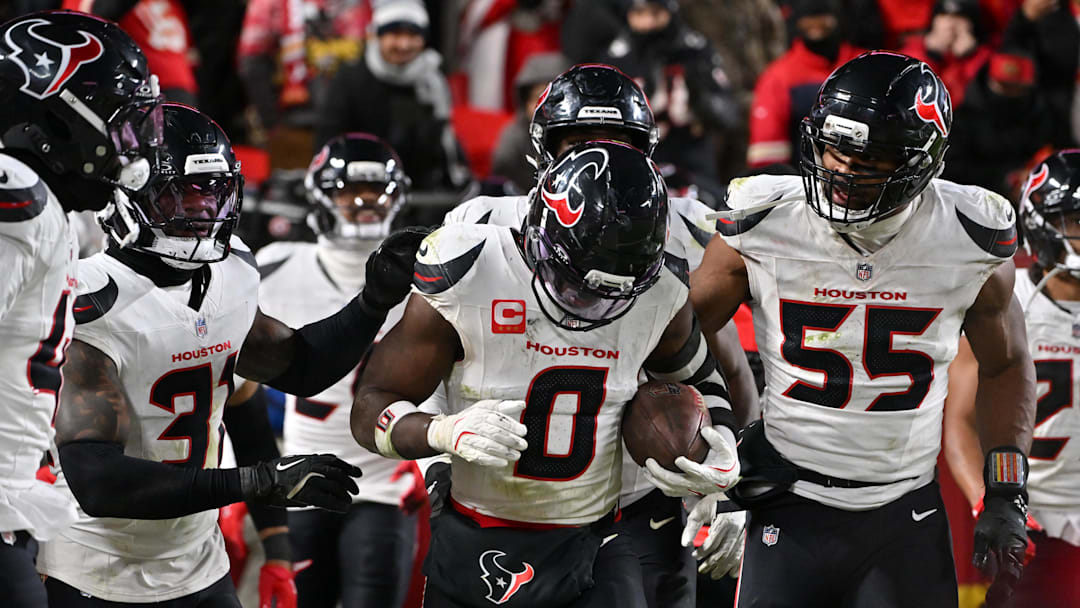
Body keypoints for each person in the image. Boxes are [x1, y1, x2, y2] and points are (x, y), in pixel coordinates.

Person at [37, 103, 426, 607]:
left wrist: (374, 299)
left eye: (213, 192)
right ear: (126, 197)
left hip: (199, 563)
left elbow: (301, 367)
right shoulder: (92, 299)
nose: (201, 210)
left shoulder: (230, 274)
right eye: (179, 194)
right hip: (99, 571)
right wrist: (258, 482)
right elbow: (98, 480)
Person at [689, 51, 1036, 607]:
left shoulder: (967, 238)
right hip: (787, 499)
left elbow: (1006, 365)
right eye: (835, 148)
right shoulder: (765, 221)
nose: (845, 170)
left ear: (923, 162)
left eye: (871, 158)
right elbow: (677, 340)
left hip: (905, 510)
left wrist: (1006, 489)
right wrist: (722, 433)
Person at [352, 140, 741, 608]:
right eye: (577, 283)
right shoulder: (470, 269)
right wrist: (439, 431)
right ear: (541, 231)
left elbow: (703, 380)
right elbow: (370, 404)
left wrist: (721, 446)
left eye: (616, 295)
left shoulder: (661, 290)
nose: (594, 308)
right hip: (478, 533)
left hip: (595, 541)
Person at [444, 63, 758, 608]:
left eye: (617, 142)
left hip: (644, 492)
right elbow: (431, 353)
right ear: (544, 147)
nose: (599, 157)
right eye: (580, 142)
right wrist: (437, 454)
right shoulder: (483, 224)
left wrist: (737, 484)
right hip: (512, 503)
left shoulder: (681, 225)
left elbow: (725, 362)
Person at [0, 10, 165, 607]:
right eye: (121, 122)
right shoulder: (17, 197)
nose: (132, 144)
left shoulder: (46, 205)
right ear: (57, 111)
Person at [246, 133, 424, 608]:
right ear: (322, 196)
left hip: (387, 481)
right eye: (348, 190)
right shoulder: (276, 267)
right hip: (301, 471)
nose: (364, 202)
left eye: (377, 191)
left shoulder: (425, 274)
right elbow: (236, 378)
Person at [944, 150, 1080, 607]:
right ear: (1042, 224)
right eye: (1076, 221)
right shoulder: (1009, 296)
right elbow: (960, 420)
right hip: (1034, 518)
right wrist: (991, 501)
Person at [316, 0, 471, 192]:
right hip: (361, 192)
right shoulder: (350, 79)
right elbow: (329, 143)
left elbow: (444, 142)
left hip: (422, 196)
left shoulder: (433, 81)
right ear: (377, 35)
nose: (404, 45)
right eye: (395, 34)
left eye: (413, 35)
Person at [601, 0, 740, 189]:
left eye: (656, 13)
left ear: (670, 12)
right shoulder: (615, 58)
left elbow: (727, 113)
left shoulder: (695, 51)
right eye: (640, 14)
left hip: (691, 152)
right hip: (638, 153)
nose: (649, 22)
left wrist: (702, 100)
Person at [746, 0, 865, 169]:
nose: (816, 24)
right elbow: (767, 155)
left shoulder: (862, 64)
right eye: (808, 17)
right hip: (805, 184)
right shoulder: (779, 76)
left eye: (822, 16)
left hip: (866, 180)